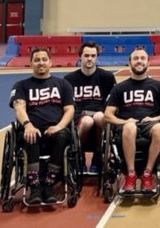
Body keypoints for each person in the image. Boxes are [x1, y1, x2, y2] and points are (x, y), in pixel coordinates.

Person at [104, 48, 160, 194]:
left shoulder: (158, 86)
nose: (139, 61)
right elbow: (108, 115)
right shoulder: (119, 88)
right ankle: (131, 174)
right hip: (127, 125)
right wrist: (124, 121)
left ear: (148, 62)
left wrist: (155, 119)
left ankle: (147, 173)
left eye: (143, 58)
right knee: (130, 127)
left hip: (150, 123)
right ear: (129, 62)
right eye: (136, 58)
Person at [9, 48, 74, 204]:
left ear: (50, 62)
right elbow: (19, 107)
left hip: (56, 128)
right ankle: (35, 186)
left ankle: (49, 184)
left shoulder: (63, 84)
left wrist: (59, 126)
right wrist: (28, 125)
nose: (41, 63)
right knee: (31, 135)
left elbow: (70, 109)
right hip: (32, 128)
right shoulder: (21, 86)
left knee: (63, 135)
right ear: (31, 63)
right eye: (37, 60)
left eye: (44, 59)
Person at [64, 41, 116, 173]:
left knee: (99, 117)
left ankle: (98, 158)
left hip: (100, 113)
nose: (89, 59)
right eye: (86, 55)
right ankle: (78, 156)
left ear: (96, 57)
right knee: (87, 121)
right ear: (80, 56)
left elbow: (112, 102)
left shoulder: (107, 77)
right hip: (78, 115)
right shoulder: (69, 79)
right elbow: (67, 105)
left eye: (93, 56)